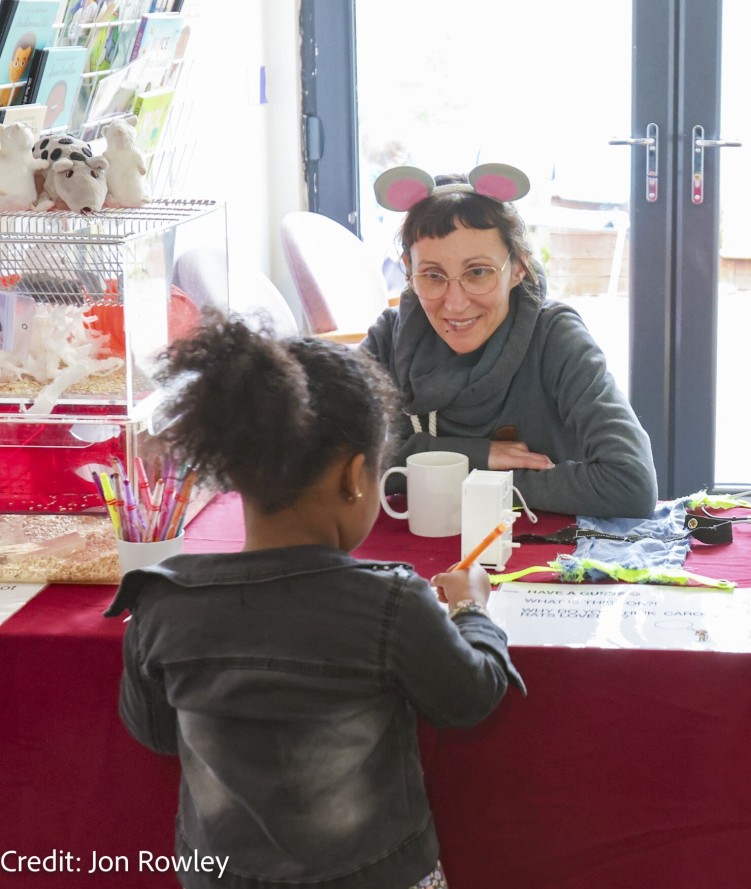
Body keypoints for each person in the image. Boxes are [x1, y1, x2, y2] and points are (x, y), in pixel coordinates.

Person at [105, 312, 523, 889]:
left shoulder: (160, 603)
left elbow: (153, 732)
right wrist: (474, 610)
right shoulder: (391, 603)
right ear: (356, 476)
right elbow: (470, 696)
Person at [361, 163, 657, 519]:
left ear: (518, 268)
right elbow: (333, 459)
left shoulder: (555, 338)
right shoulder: (388, 340)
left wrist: (447, 472)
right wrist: (477, 455)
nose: (455, 303)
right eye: (433, 275)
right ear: (408, 269)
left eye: (478, 272)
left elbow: (631, 484)